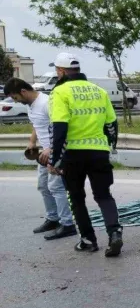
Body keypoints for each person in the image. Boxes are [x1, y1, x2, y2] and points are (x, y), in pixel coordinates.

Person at [46, 52, 123, 257]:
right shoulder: (99, 91)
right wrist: (111, 146)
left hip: (73, 154)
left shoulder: (60, 92)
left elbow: (59, 127)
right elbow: (112, 124)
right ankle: (114, 232)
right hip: (99, 152)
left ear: (61, 71)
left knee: (76, 198)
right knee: (104, 195)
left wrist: (55, 159)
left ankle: (88, 240)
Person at [3, 78, 77, 240]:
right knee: (43, 186)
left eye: (15, 97)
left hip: (56, 151)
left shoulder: (46, 103)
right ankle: (53, 219)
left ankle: (67, 224)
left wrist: (52, 148)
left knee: (56, 187)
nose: (16, 101)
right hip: (43, 153)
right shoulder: (30, 106)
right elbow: (37, 125)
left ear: (23, 91)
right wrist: (32, 142)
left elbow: (61, 127)